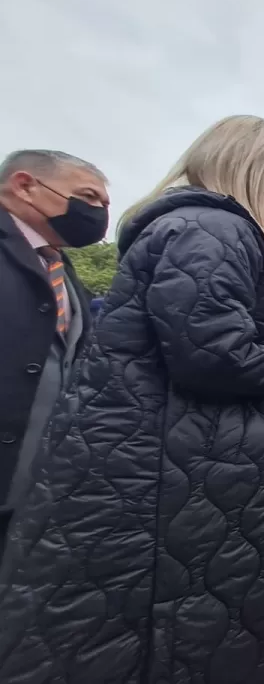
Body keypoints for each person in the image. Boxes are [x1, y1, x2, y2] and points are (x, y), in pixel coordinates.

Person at [0, 116, 264, 684]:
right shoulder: (213, 228)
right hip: (173, 492)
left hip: (169, 482)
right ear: (263, 181)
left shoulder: (188, 228)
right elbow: (215, 353)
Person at [0, 149, 108, 560]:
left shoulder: (62, 270)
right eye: (88, 196)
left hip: (31, 491)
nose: (98, 212)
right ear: (25, 186)